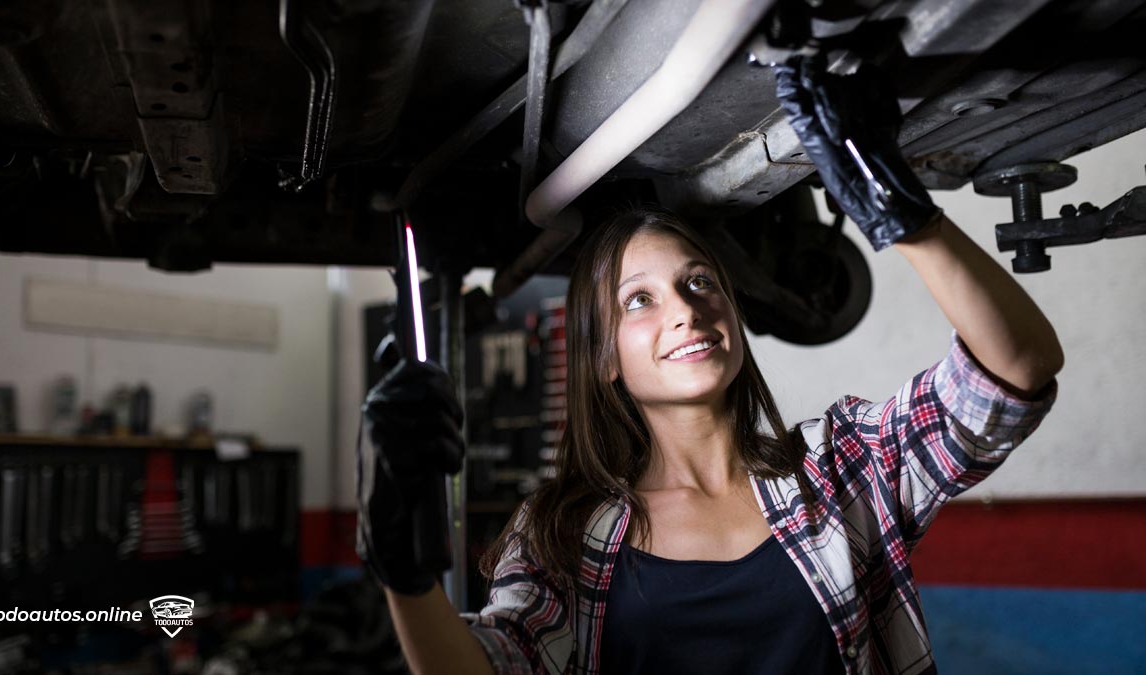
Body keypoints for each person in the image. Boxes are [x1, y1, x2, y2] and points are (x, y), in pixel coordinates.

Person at [355, 56, 1064, 674]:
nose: (686, 313)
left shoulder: (839, 469)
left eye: (700, 283)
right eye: (640, 301)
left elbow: (1015, 370)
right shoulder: (560, 536)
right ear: (605, 359)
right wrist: (402, 569)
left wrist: (904, 217)